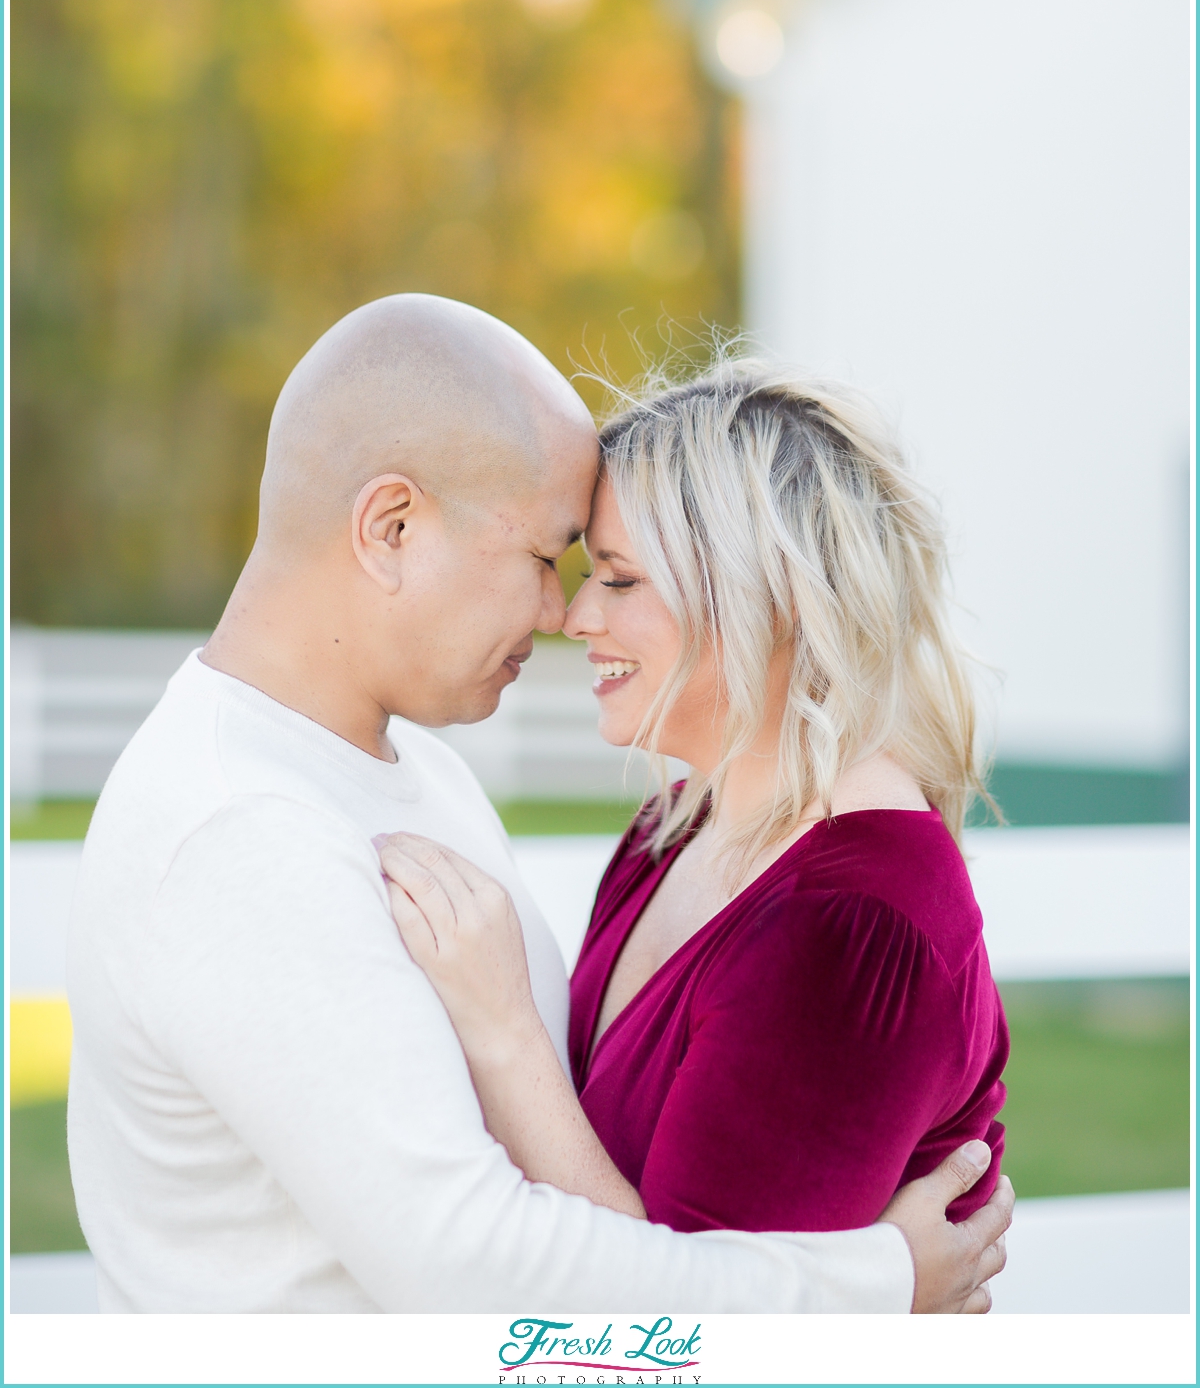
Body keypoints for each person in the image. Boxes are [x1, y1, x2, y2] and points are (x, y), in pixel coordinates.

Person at [66, 296, 1011, 1313]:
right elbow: (474, 1266)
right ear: (391, 527)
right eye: (548, 558)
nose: (565, 613)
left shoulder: (416, 772)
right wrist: (880, 1280)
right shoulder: (238, 832)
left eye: (610, 573)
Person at [376, 357, 1009, 1244]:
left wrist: (504, 1027)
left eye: (620, 578)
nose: (575, 615)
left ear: (772, 597)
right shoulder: (670, 828)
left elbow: (679, 1329)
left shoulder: (852, 919)